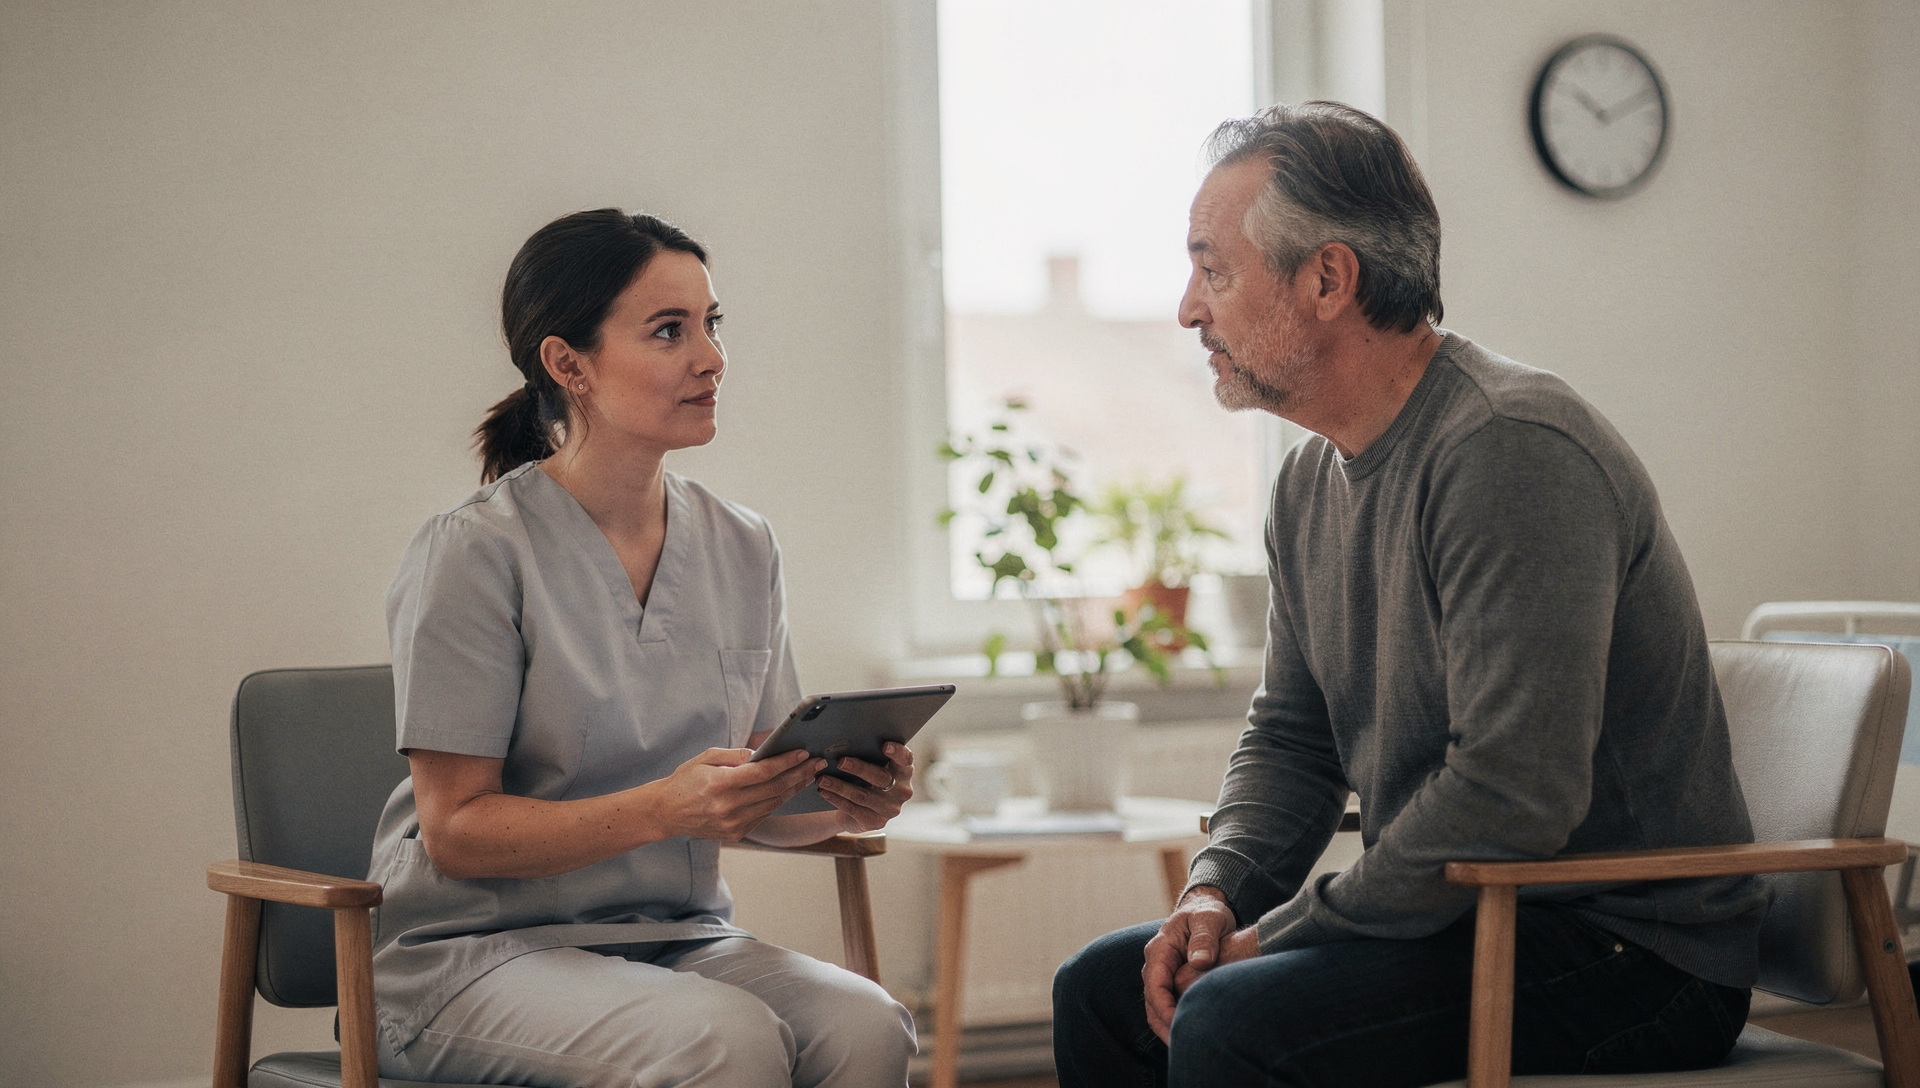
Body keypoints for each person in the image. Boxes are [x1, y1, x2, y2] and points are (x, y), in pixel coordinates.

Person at [1052, 102, 1768, 1087]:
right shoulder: (1309, 483)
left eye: (1214, 269)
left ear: (1328, 279)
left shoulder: (1510, 449)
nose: (1187, 308)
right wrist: (1215, 893)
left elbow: (1515, 793)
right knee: (1099, 989)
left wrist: (1288, 931)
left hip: (1627, 950)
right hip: (1471, 918)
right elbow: (1294, 738)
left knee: (1227, 1019)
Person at [366, 208, 917, 1088]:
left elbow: (761, 801)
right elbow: (458, 833)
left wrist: (849, 801)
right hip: (474, 957)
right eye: (669, 331)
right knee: (721, 1039)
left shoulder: (744, 545)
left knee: (868, 1025)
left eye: (711, 324)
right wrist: (667, 809)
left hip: (676, 940)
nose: (711, 357)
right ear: (568, 365)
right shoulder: (475, 553)